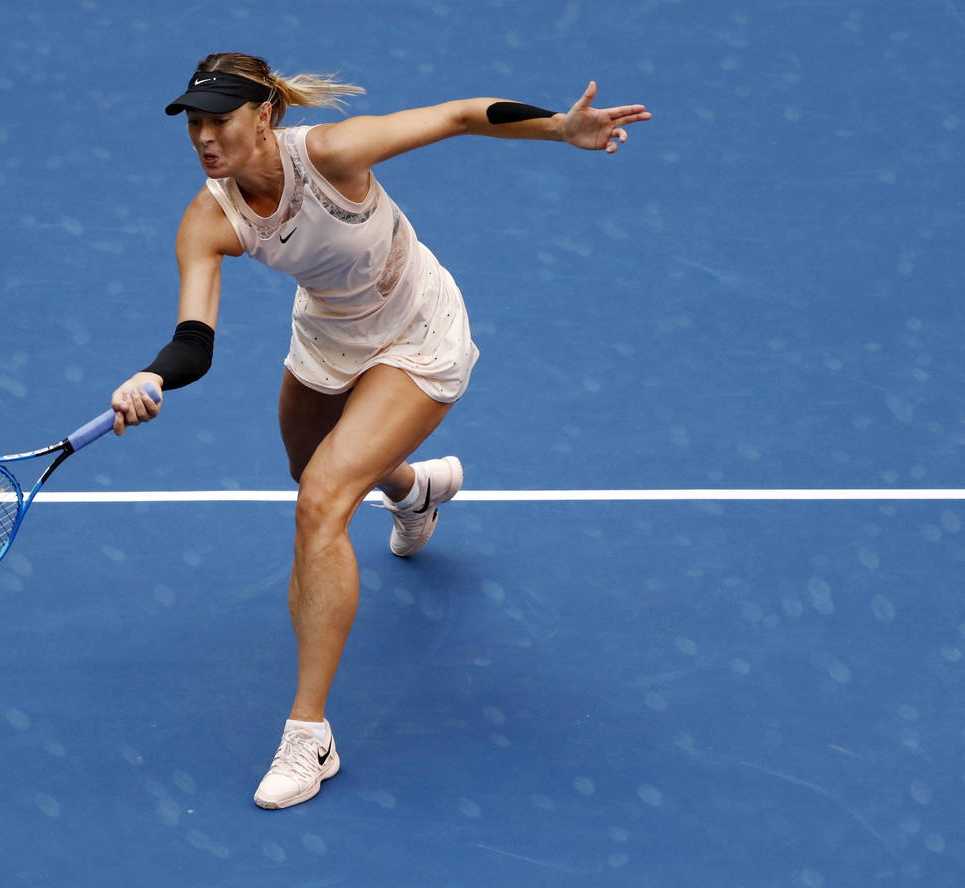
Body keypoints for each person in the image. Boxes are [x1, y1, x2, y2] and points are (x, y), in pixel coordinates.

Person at [108, 52, 650, 810]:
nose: (204, 137)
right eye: (194, 122)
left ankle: (309, 735)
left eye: (219, 120)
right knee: (309, 468)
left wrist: (561, 128)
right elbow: (194, 341)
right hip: (329, 335)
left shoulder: (333, 153)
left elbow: (460, 115)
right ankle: (414, 490)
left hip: (417, 330)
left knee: (321, 501)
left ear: (265, 117)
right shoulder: (209, 218)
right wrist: (151, 377)